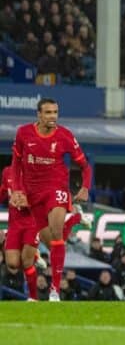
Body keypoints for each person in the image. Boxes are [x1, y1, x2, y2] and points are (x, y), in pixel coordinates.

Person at [9, 98, 92, 301]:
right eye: (48, 113)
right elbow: (16, 164)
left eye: (55, 112)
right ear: (38, 114)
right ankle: (74, 219)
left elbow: (85, 166)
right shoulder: (24, 133)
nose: (53, 117)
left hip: (56, 188)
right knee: (55, 241)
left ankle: (55, 290)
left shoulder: (64, 136)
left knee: (56, 233)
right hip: (33, 194)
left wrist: (85, 187)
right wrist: (18, 190)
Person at [0, 166, 47, 300]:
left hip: (32, 223)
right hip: (14, 224)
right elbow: (4, 190)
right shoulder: (7, 172)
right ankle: (35, 257)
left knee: (27, 263)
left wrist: (29, 202)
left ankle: (33, 298)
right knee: (12, 264)